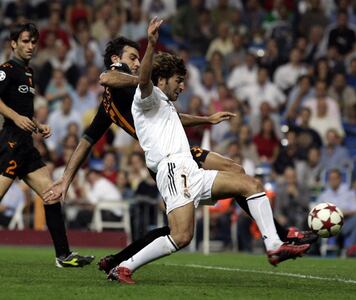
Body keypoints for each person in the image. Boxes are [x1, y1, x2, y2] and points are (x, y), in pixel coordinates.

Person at [44, 34, 317, 274]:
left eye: (139, 58)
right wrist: (66, 179)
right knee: (180, 231)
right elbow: (105, 80)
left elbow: (170, 115)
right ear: (117, 59)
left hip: (179, 150)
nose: (138, 63)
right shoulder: (121, 89)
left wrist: (206, 120)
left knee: (235, 174)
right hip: (167, 159)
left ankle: (278, 238)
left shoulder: (130, 92)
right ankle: (279, 237)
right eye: (132, 57)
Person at [107, 18, 310, 284]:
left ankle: (274, 246)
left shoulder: (164, 105)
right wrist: (152, 45)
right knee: (181, 236)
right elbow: (144, 78)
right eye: (178, 81)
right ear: (163, 79)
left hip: (190, 168)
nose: (182, 86)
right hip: (172, 170)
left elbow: (179, 118)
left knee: (250, 184)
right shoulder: (145, 97)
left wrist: (207, 119)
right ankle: (123, 267)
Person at [0, 23, 93, 267]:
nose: (30, 46)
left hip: (26, 145)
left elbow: (23, 112)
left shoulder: (29, 73)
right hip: (9, 142)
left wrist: (37, 125)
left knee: (52, 195)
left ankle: (63, 255)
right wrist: (16, 118)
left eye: (33, 42)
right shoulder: (6, 70)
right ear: (13, 43)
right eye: (25, 41)